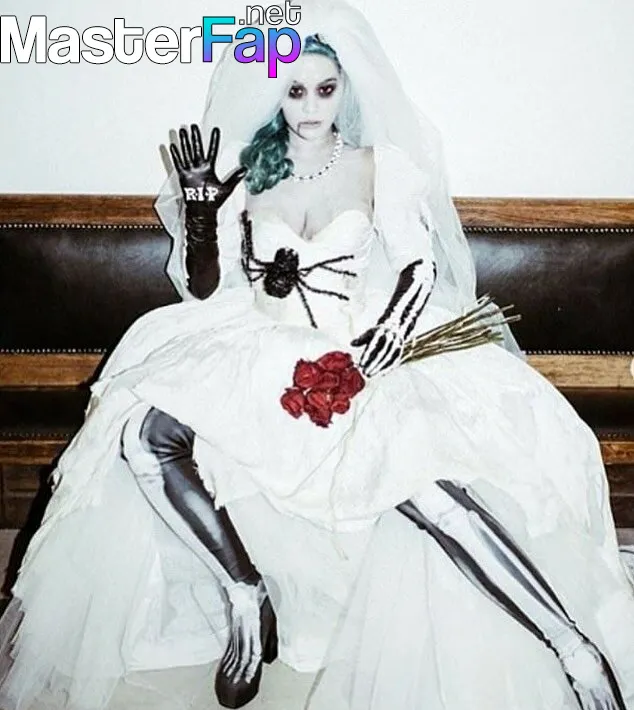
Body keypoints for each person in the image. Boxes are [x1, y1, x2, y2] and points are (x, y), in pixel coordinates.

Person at [1, 1, 634, 709]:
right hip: (256, 339)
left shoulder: (379, 167)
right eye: (294, 90)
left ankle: (572, 648)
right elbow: (205, 288)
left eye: (324, 90)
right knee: (144, 434)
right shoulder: (249, 173)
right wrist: (203, 218)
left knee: (423, 484)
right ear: (275, 92)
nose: (309, 108)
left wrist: (388, 335)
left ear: (345, 90)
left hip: (355, 340)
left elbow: (419, 265)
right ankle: (245, 595)